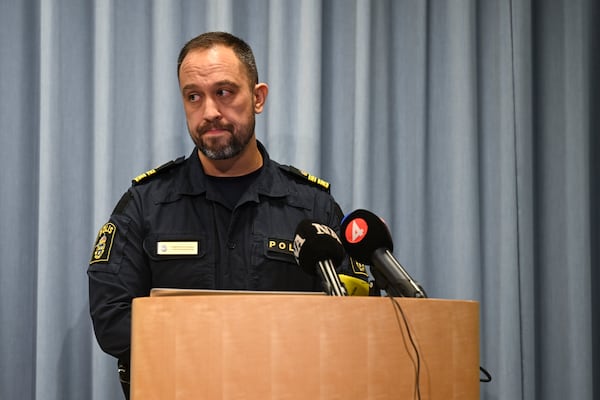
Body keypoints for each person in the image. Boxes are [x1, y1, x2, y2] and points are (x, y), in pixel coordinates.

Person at [87, 31, 368, 399]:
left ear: (257, 97)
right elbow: (112, 321)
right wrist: (228, 345)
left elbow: (355, 320)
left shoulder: (312, 207)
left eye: (224, 92)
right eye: (193, 97)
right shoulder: (145, 204)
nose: (210, 113)